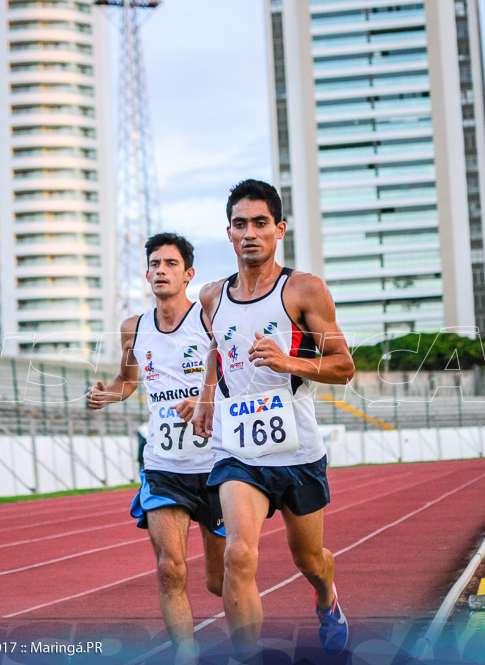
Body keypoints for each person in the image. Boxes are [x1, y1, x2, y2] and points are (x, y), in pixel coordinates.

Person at [191, 180, 355, 658]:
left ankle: (327, 597)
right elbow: (217, 351)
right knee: (239, 557)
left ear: (279, 229)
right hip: (237, 449)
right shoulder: (210, 297)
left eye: (260, 223)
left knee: (310, 560)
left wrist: (291, 363)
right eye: (240, 224)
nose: (250, 234)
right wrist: (205, 397)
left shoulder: (304, 289)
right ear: (228, 232)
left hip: (297, 448)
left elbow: (345, 367)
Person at [87, 232, 225, 664]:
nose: (160, 271)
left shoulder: (210, 320)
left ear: (189, 273)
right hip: (163, 465)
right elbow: (127, 381)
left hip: (218, 464)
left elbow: (235, 376)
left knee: (221, 582)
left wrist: (207, 401)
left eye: (170, 264)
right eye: (154, 264)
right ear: (146, 272)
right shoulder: (134, 328)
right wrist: (107, 395)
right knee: (171, 568)